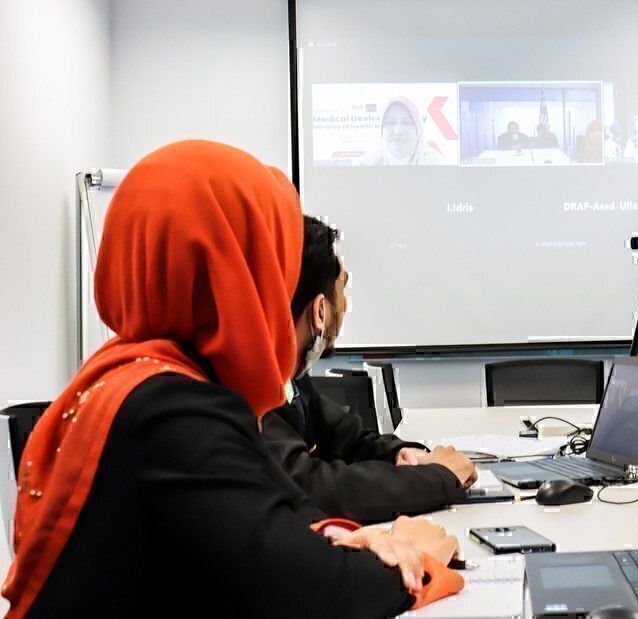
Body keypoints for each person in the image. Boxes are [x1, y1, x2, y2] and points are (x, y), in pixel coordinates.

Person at [1, 140, 462, 618]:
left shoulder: (130, 375)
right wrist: (412, 557)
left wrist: (337, 536)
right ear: (239, 272)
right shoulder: (176, 410)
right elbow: (309, 594)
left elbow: (267, 513)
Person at [261, 216, 477, 523]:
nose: (345, 305)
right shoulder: (250, 390)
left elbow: (353, 441)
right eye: (342, 289)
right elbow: (314, 488)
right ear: (320, 311)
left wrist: (403, 453)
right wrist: (440, 476)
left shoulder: (293, 378)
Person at [360, 97, 448, 166]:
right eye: (390, 122)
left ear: (418, 131)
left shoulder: (436, 162)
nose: (398, 131)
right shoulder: (366, 163)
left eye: (407, 122)